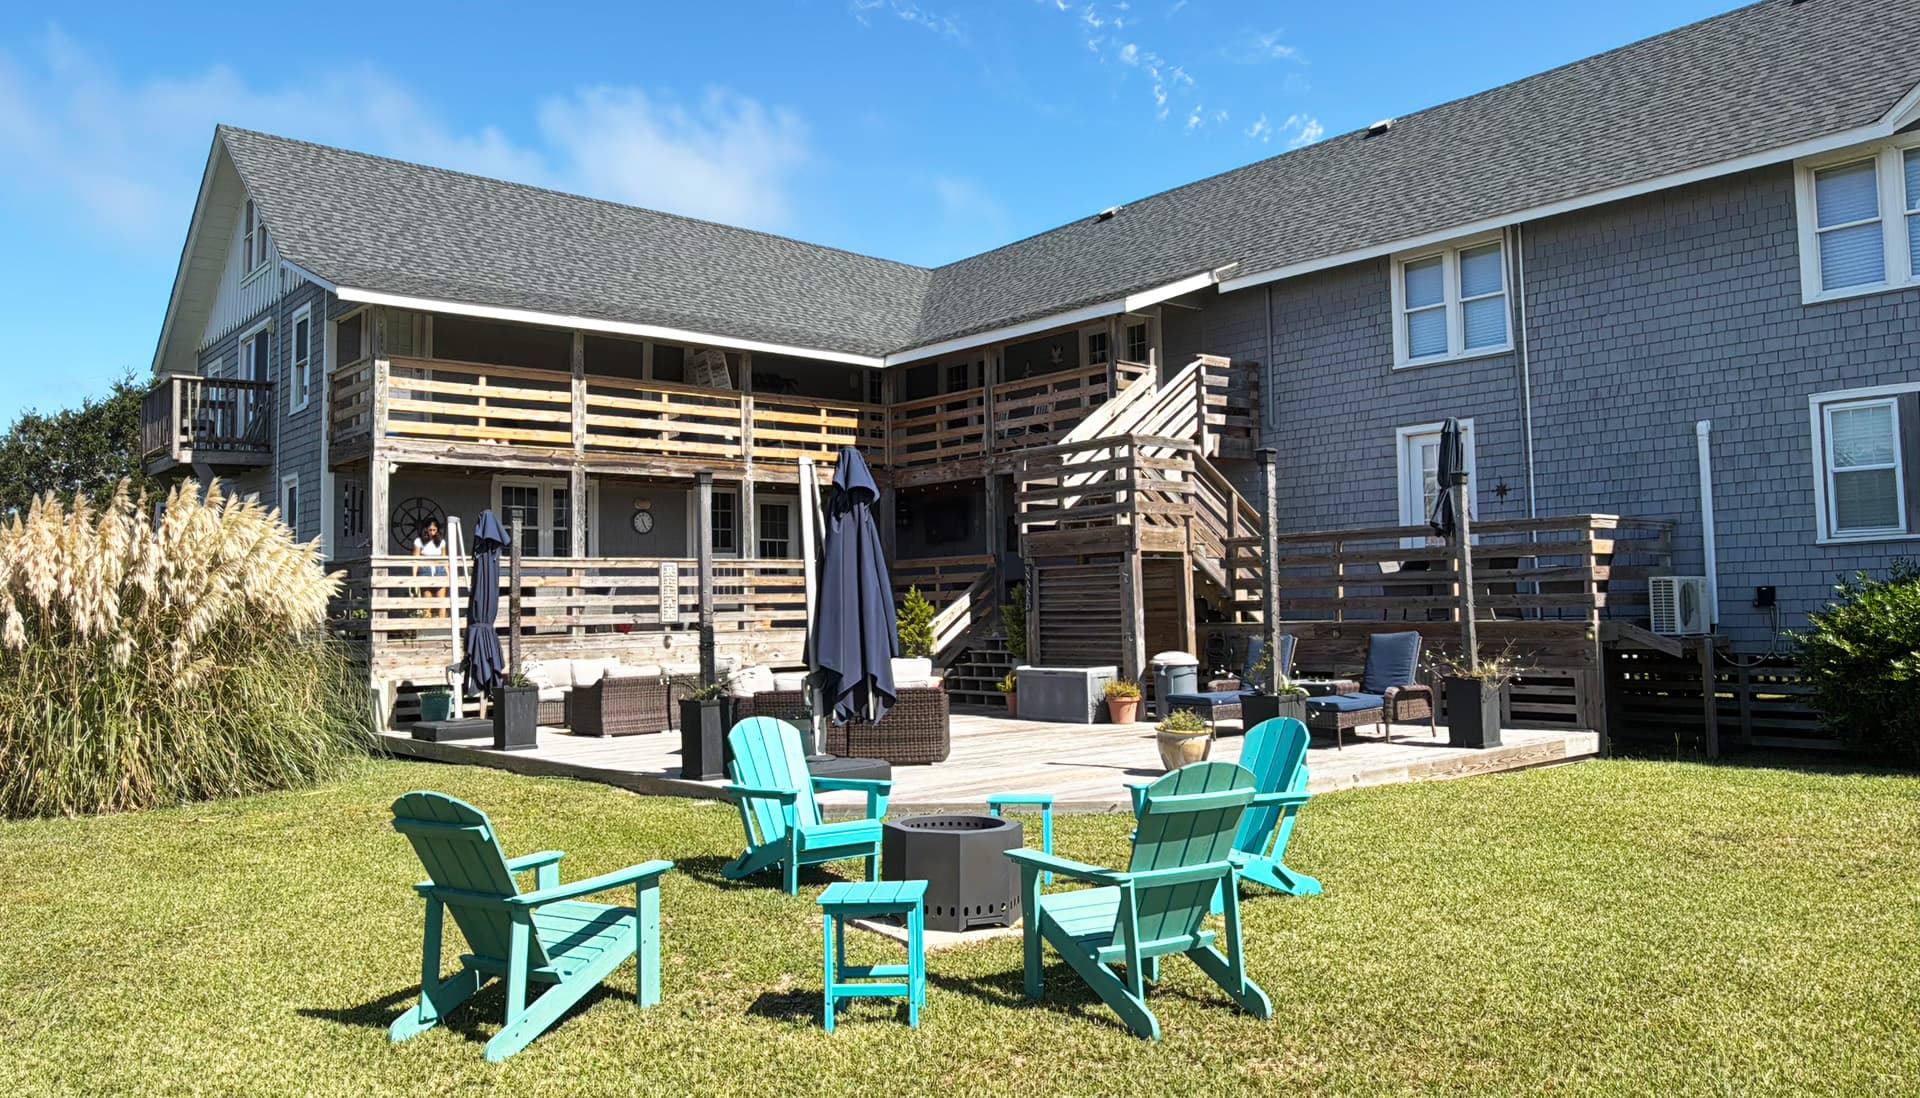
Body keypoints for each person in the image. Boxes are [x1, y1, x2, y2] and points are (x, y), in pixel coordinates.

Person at [414, 519, 449, 617]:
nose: (432, 532)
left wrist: (448, 575)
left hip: (440, 570)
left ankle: (442, 626)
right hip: (425, 570)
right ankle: (426, 628)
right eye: (430, 530)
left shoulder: (441, 542)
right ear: (426, 529)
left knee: (442, 603)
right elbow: (416, 559)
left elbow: (444, 558)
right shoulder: (419, 541)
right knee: (427, 603)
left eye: (434, 530)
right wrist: (414, 576)